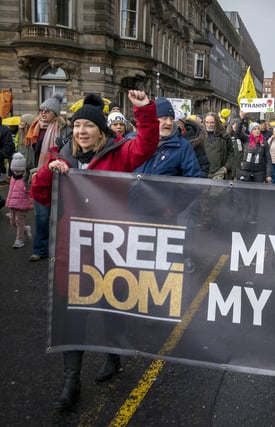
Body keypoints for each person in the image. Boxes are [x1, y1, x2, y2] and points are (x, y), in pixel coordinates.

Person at [29, 90, 159, 411]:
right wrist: (50, 168)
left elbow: (147, 144)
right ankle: (71, 381)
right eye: (76, 126)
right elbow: (40, 194)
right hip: (73, 251)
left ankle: (113, 355)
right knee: (72, 314)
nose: (81, 132)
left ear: (101, 131)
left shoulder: (119, 153)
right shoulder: (62, 157)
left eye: (88, 126)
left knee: (108, 306)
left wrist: (144, 110)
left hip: (111, 249)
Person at [24, 94, 72, 262]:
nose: (43, 113)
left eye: (47, 111)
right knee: (41, 217)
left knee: (61, 217)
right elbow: (29, 154)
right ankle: (40, 249)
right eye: (41, 110)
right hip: (39, 176)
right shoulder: (34, 128)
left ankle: (60, 250)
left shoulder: (66, 129)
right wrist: (25, 177)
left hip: (60, 178)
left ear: (56, 113)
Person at [134, 97, 201, 178]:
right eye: (164, 118)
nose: (169, 123)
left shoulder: (183, 147)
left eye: (171, 119)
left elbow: (193, 179)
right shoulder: (134, 142)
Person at [5, 153, 33, 248]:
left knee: (18, 221)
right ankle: (25, 229)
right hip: (13, 204)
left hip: (22, 204)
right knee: (12, 222)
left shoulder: (26, 179)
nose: (16, 173)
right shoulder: (13, 177)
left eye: (19, 171)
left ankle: (19, 240)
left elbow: (30, 191)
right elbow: (10, 191)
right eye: (15, 171)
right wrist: (8, 202)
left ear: (23, 170)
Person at [203, 112, 234, 179]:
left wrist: (226, 167)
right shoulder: (200, 136)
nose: (209, 125)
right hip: (204, 173)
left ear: (216, 122)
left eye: (212, 122)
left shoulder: (224, 136)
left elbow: (231, 153)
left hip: (219, 173)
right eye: (207, 122)